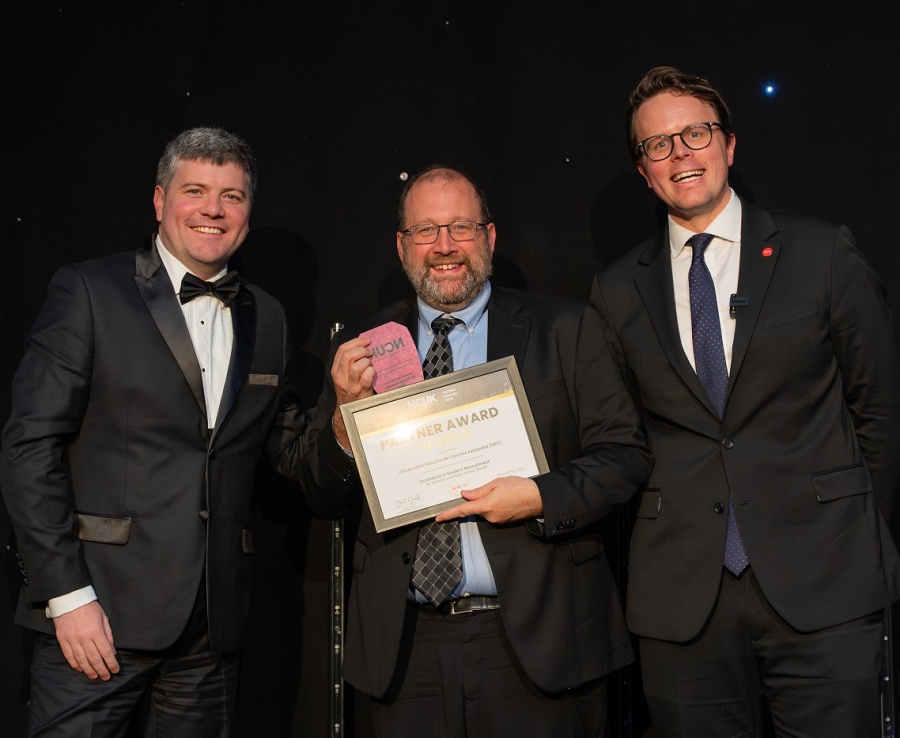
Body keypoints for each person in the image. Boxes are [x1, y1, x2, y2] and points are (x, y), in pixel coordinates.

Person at [589, 65, 900, 737]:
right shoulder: (615, 291)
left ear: (729, 144)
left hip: (824, 584)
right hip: (684, 602)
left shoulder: (821, 252)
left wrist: (846, 527)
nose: (680, 153)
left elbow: (880, 409)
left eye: (695, 133)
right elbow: (620, 438)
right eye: (658, 144)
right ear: (643, 170)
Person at [294, 164, 653, 737]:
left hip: (537, 639)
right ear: (402, 246)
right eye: (426, 231)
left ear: (489, 236)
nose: (444, 246)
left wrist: (539, 496)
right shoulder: (360, 348)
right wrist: (344, 420)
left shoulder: (566, 329)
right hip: (405, 649)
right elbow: (321, 494)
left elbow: (625, 457)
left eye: (460, 227)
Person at [0, 126, 309, 736]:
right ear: (160, 199)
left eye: (232, 195)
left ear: (248, 210)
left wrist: (351, 415)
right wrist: (67, 596)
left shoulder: (268, 316)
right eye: (195, 191)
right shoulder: (89, 291)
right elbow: (29, 447)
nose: (213, 210)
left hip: (211, 630)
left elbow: (288, 451)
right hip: (97, 618)